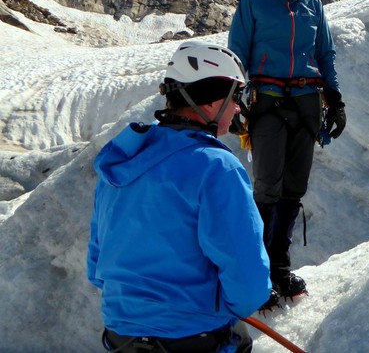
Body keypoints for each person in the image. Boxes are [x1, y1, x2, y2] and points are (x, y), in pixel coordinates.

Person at [87, 40, 272, 353]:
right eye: (235, 96)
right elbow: (248, 278)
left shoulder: (122, 162)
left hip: (120, 335)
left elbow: (97, 266)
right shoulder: (217, 167)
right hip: (192, 338)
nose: (239, 107)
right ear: (211, 102)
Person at [228, 0, 346, 309]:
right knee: (266, 188)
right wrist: (232, 102)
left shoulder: (314, 6)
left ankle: (278, 266)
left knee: (293, 189)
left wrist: (336, 99)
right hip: (267, 103)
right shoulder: (253, 1)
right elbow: (237, 55)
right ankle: (256, 271)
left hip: (308, 103)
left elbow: (324, 54)